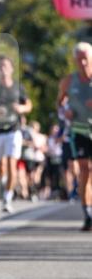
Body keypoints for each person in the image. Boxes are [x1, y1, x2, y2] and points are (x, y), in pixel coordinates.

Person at [0, 54, 32, 214]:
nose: (3, 70)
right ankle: (3, 182)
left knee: (12, 163)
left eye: (6, 66)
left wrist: (22, 109)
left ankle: (8, 197)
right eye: (0, 67)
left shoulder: (18, 87)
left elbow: (28, 104)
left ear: (11, 69)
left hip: (13, 129)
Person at [57, 42, 92, 230]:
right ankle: (87, 213)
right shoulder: (69, 81)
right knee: (85, 169)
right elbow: (59, 104)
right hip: (79, 130)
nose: (83, 62)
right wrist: (66, 111)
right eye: (80, 59)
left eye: (86, 58)